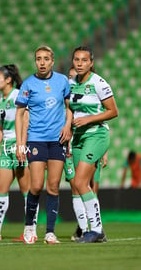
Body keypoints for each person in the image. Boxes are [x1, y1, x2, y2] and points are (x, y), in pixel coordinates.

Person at [15, 46, 72, 244]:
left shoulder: (63, 81)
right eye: (38, 58)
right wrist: (20, 144)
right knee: (37, 185)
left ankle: (50, 232)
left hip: (58, 140)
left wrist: (68, 126)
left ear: (52, 61)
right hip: (36, 138)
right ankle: (29, 227)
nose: (42, 62)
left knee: (54, 186)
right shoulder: (28, 84)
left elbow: (69, 107)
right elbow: (20, 114)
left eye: (46, 58)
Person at [0, 64, 36, 241]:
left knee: (27, 191)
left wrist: (21, 146)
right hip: (6, 148)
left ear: (8, 79)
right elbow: (3, 128)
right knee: (1, 189)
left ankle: (30, 231)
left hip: (19, 146)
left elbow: (25, 121)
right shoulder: (2, 100)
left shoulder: (18, 95)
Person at [69, 46, 118, 243]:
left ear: (91, 63)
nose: (79, 63)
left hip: (96, 134)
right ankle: (96, 231)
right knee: (79, 184)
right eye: (76, 60)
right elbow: (69, 110)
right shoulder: (71, 83)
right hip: (78, 137)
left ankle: (96, 230)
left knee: (81, 182)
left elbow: (113, 111)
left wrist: (89, 119)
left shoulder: (99, 83)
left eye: (84, 60)